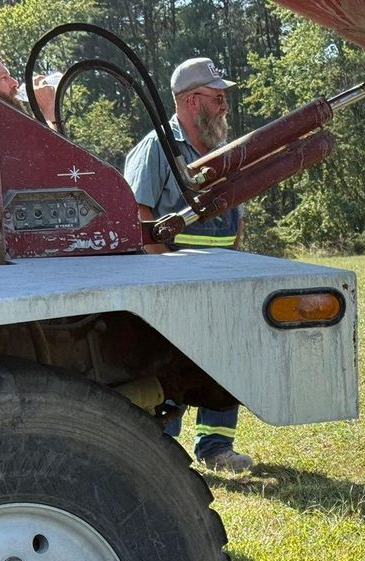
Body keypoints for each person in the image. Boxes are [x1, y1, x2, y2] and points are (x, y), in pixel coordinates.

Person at [123, 57, 252, 474]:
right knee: (172, 363)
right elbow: (138, 216)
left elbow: (236, 213)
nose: (224, 105)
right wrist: (169, 277)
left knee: (225, 359)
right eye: (217, 97)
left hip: (220, 278)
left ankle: (216, 447)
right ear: (192, 101)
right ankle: (162, 450)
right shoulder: (157, 148)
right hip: (173, 282)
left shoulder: (223, 152)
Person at [0, 54, 57, 126]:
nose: (15, 83)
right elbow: (42, 134)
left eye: (9, 76)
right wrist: (49, 109)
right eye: (4, 78)